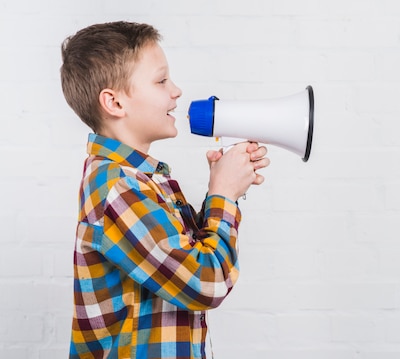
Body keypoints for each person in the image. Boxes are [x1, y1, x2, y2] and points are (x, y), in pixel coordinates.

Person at [60, 21, 269, 359]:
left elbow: (181, 254)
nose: (177, 91)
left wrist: (225, 186)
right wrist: (223, 196)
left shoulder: (142, 180)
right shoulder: (118, 188)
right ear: (113, 103)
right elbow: (205, 281)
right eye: (161, 81)